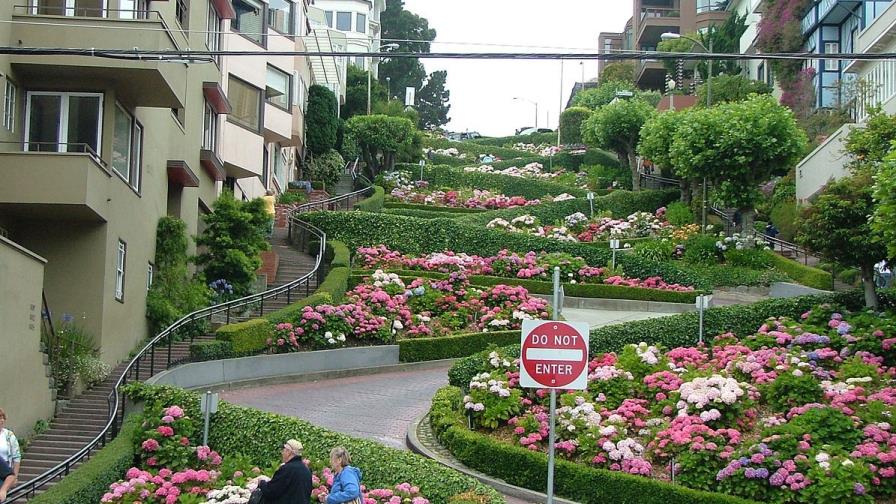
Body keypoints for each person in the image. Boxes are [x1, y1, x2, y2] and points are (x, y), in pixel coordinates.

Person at [257, 439, 312, 504]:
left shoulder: (287, 469)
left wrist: (261, 482)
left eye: (283, 450)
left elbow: (271, 491)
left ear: (289, 452)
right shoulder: (306, 470)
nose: (282, 452)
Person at [0, 409, 20, 484]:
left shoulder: (9, 435)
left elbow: (16, 456)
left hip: (5, 469)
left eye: (3, 418)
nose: (2, 420)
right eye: (0, 418)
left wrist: (15, 476)